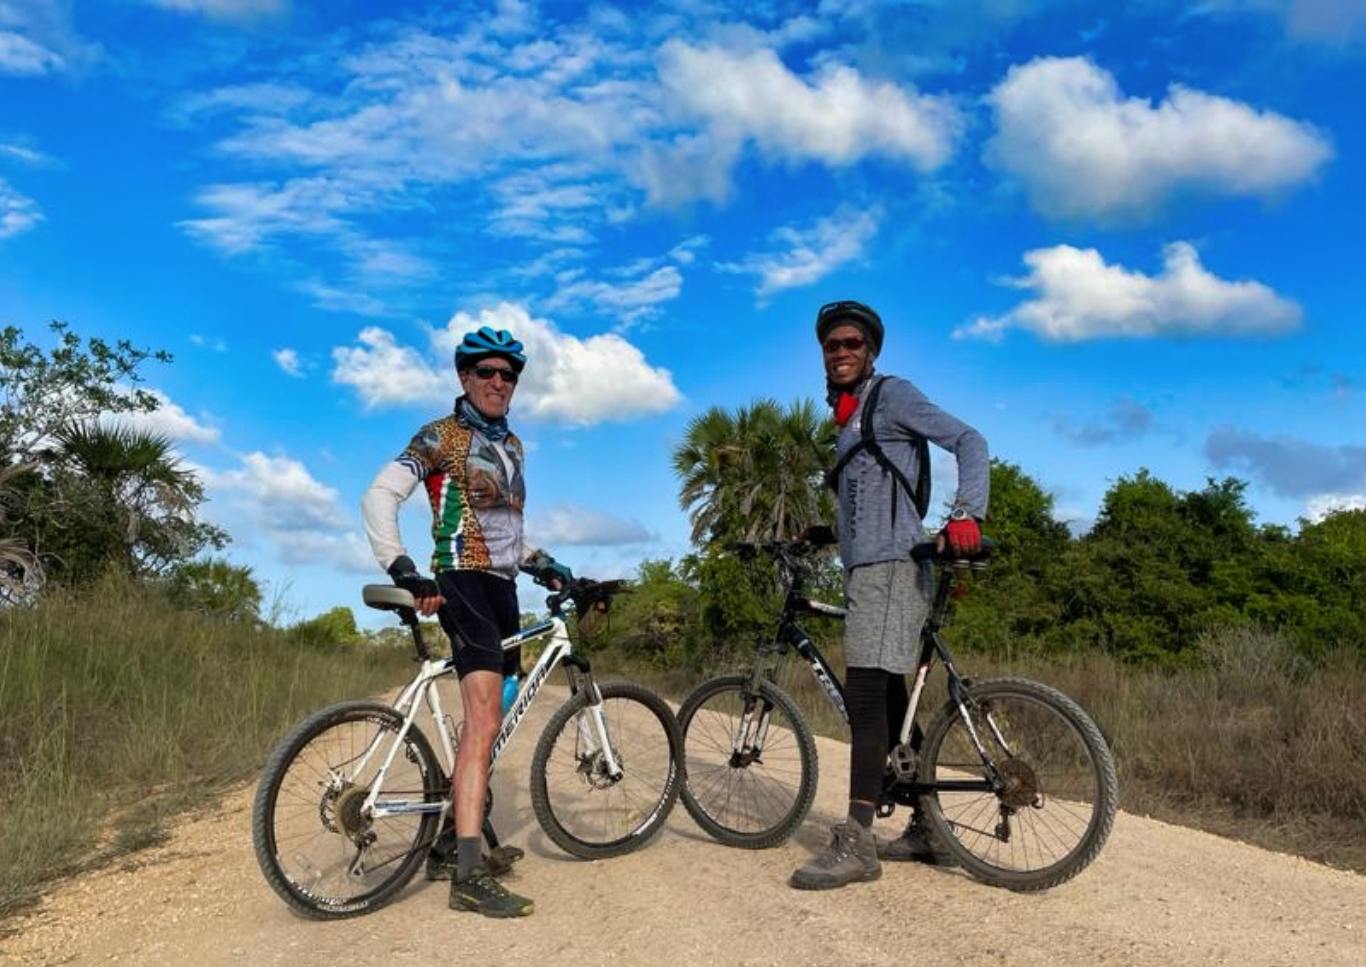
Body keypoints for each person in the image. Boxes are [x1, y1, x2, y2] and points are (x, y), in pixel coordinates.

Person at [361, 325, 572, 918]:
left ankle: (455, 841)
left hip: (502, 588)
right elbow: (378, 496)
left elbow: (506, 533)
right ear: (465, 377)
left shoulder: (514, 447)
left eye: (508, 375)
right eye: (487, 372)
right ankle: (469, 878)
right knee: (482, 719)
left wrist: (543, 564)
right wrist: (403, 568)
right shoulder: (441, 435)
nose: (498, 382)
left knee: (493, 712)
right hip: (461, 583)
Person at [790, 300, 989, 891]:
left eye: (852, 342)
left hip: (892, 568)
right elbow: (877, 496)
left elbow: (970, 441)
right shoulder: (848, 418)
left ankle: (856, 841)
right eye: (832, 345)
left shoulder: (891, 394)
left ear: (870, 350)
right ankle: (928, 826)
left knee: (867, 696)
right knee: (895, 702)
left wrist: (966, 514)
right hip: (867, 566)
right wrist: (829, 532)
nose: (842, 350)